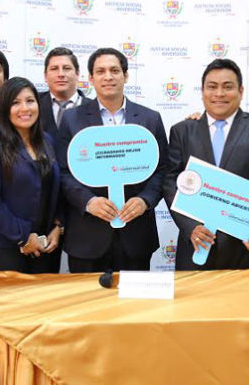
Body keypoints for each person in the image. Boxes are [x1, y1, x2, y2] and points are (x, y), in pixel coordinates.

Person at [163, 58, 249, 270]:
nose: (219, 93)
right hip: (196, 246)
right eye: (212, 87)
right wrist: (190, 227)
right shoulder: (182, 131)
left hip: (246, 248)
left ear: (240, 91)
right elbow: (170, 183)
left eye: (227, 87)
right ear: (202, 91)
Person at [55, 48, 168, 273]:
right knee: (88, 296)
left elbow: (162, 169)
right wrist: (88, 202)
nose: (108, 77)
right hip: (87, 237)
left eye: (115, 71)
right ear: (91, 78)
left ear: (126, 76)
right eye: (101, 71)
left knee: (135, 296)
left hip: (135, 236)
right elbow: (63, 172)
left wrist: (145, 201)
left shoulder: (150, 119)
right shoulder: (71, 119)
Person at [0, 77, 63, 274]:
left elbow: (55, 188)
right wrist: (23, 237)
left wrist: (58, 226)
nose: (24, 108)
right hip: (3, 249)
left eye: (30, 101)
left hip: (45, 249)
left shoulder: (47, 141)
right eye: (16, 103)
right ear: (5, 108)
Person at [38, 47, 89, 137]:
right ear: (45, 76)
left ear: (77, 74)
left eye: (66, 68)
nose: (61, 74)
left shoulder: (95, 108)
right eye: (54, 69)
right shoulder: (33, 105)